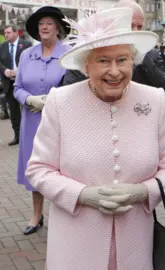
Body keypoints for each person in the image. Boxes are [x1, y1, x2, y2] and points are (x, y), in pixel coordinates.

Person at [26, 8, 165, 269]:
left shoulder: (153, 100)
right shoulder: (60, 102)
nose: (115, 72)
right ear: (86, 65)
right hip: (74, 246)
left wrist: (142, 192)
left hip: (135, 246)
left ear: (132, 61)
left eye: (122, 60)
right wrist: (82, 195)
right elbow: (38, 170)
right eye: (103, 61)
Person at [13, 6, 70, 235]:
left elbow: (77, 87)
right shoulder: (27, 54)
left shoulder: (68, 53)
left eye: (49, 22)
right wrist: (29, 100)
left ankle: (63, 215)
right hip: (32, 123)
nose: (44, 27)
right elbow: (17, 88)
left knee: (61, 168)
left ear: (57, 27)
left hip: (60, 123)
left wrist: (56, 100)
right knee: (35, 167)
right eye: (40, 24)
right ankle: (37, 215)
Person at [60, 0, 165, 103]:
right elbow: (69, 96)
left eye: (139, 26)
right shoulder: (90, 52)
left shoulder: (151, 55)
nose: (135, 31)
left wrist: (141, 57)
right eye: (130, 25)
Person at [0, 25, 32, 146]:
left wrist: (19, 70)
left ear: (15, 33)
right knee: (13, 111)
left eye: (8, 32)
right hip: (8, 83)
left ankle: (29, 135)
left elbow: (30, 60)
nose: (6, 35)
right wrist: (4, 70)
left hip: (24, 81)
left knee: (27, 108)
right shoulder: (2, 46)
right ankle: (18, 136)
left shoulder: (27, 44)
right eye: (4, 33)